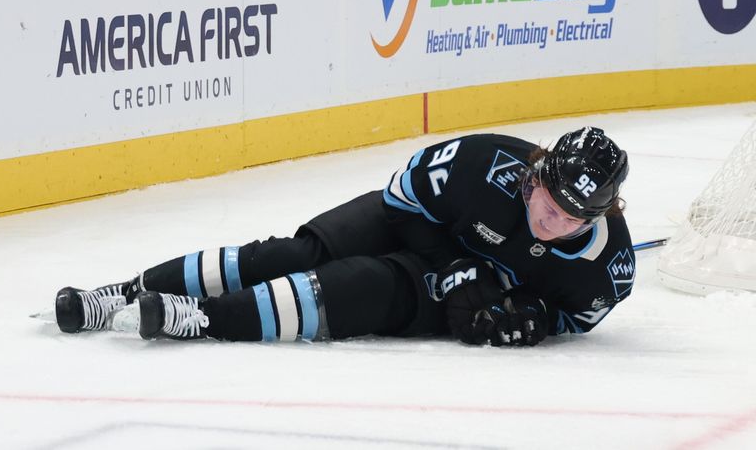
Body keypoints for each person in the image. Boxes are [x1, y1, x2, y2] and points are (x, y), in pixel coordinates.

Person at [54, 126, 634, 347]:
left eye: (572, 219)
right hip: (423, 229)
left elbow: (574, 316)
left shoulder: (607, 265)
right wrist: (458, 260)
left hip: (450, 288)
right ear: (536, 174)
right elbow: (404, 202)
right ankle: (123, 293)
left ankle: (202, 318)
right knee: (291, 254)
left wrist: (529, 310)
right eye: (549, 201)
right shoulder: (481, 163)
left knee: (351, 287)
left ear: (601, 217)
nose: (553, 220)